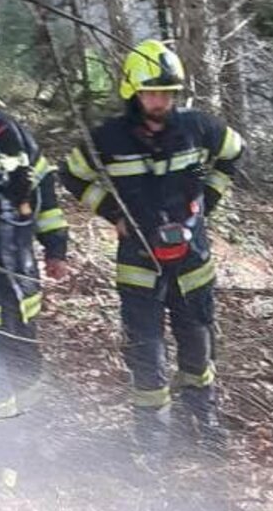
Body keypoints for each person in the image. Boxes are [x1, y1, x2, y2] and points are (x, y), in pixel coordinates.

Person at [63, 39, 243, 448]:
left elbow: (234, 152)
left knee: (198, 352)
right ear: (133, 91)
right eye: (152, 92)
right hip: (139, 267)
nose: (160, 100)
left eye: (167, 93)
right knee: (148, 356)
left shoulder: (199, 128)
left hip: (193, 266)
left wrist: (208, 200)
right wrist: (114, 215)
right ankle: (152, 443)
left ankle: (203, 423)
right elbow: (72, 174)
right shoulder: (108, 139)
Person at [0, 104, 66, 413]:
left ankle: (30, 440)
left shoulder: (11, 132)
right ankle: (1, 451)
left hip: (20, 285)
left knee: (28, 375)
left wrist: (56, 248)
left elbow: (45, 196)